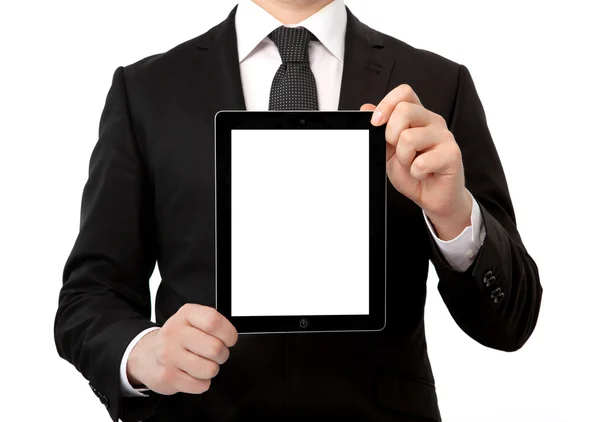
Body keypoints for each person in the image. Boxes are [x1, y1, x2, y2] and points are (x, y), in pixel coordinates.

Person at [54, 1, 543, 421]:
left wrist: (455, 216)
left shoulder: (438, 85)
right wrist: (144, 352)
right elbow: (90, 295)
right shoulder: (146, 91)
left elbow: (511, 320)